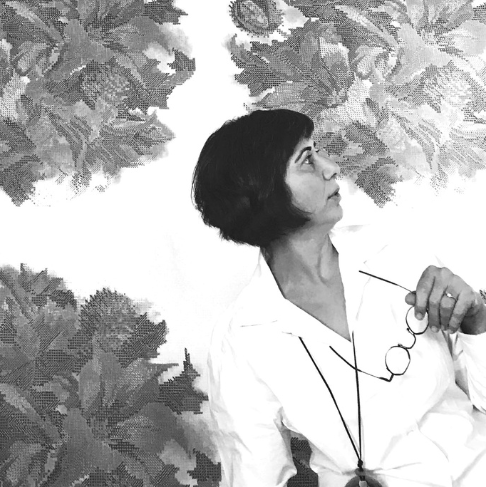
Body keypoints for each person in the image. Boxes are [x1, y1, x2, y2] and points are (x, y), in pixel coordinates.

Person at [192, 108, 486, 487]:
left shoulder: (395, 252)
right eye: (307, 160)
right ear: (264, 194)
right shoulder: (241, 338)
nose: (332, 168)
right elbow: (254, 478)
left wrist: (478, 321)